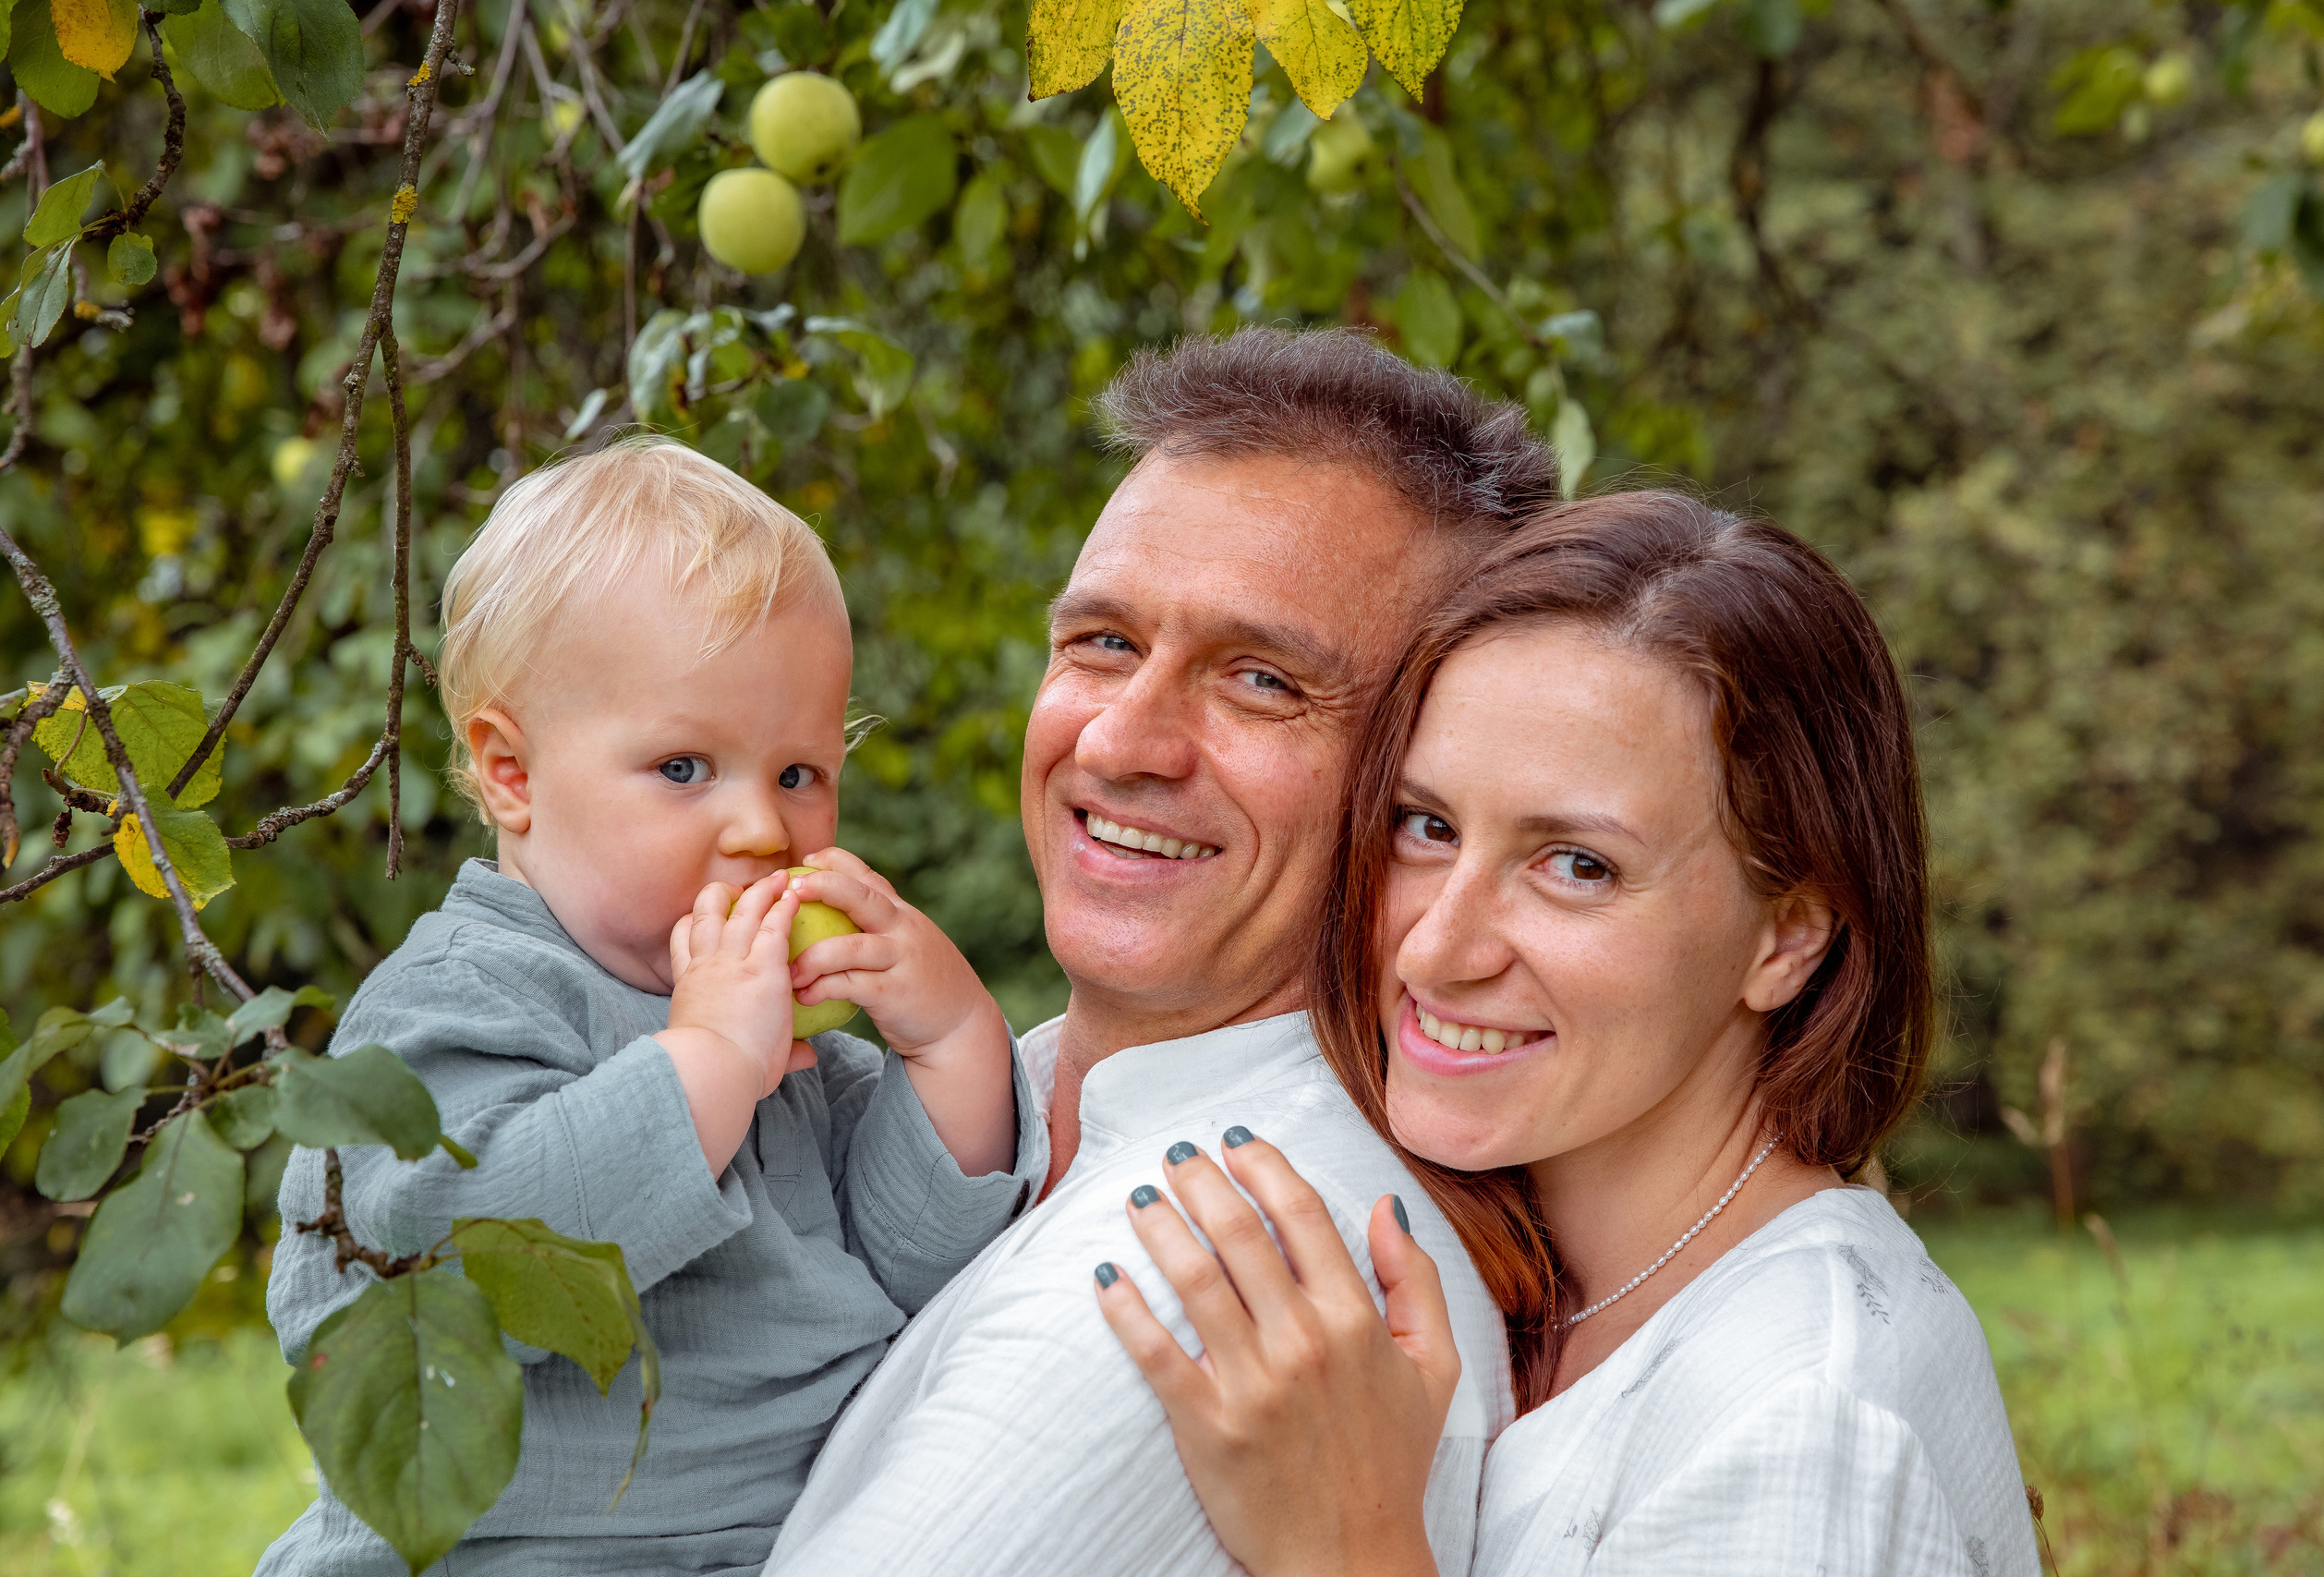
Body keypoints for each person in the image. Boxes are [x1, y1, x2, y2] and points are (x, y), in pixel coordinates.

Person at [1097, 492, 2041, 1575]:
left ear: (1785, 937)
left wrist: (1349, 1550)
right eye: (1427, 827)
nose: (1436, 951)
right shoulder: (1525, 1266)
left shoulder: (1801, 1424)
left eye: (1577, 866)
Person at [762, 329, 1559, 1576]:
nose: (1124, 742)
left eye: (1259, 678)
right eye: (1103, 642)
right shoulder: (988, 1108)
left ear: (1424, 786)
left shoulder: (1224, 1255)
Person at [259, 437, 1043, 1575]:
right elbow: (456, 1258)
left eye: (798, 774)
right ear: (513, 774)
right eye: (685, 768)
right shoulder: (459, 1002)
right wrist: (711, 1057)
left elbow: (915, 1259)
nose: (761, 830)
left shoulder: (774, 1025)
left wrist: (951, 1039)